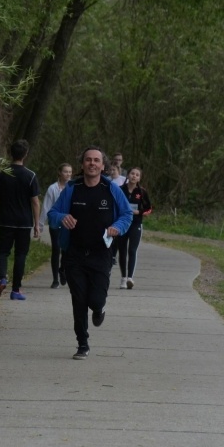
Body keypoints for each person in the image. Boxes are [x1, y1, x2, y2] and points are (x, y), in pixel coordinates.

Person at [47, 146, 133, 359]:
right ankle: (82, 344)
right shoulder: (72, 188)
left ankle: (99, 308)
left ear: (103, 165)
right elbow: (53, 213)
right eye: (88, 160)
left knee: (94, 300)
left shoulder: (111, 189)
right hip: (74, 254)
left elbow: (127, 214)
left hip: (101, 254)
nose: (92, 163)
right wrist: (62, 219)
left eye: (96, 160)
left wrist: (118, 228)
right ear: (82, 164)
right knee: (78, 299)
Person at [0, 139, 41, 300]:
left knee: (2, 251)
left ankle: (2, 278)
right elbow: (35, 201)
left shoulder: (2, 173)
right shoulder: (30, 176)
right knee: (21, 254)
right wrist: (36, 225)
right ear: (25, 155)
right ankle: (16, 290)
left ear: (10, 153)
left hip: (5, 219)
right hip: (23, 222)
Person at [116, 167, 152, 290]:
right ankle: (123, 278)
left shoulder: (141, 192)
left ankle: (130, 278)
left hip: (136, 224)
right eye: (132, 173)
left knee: (132, 250)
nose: (134, 176)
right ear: (128, 175)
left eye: (137, 175)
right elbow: (114, 204)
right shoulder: (120, 190)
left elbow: (149, 208)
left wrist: (139, 212)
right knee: (122, 250)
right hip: (122, 224)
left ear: (139, 178)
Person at [40, 163, 73, 288]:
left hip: (68, 223)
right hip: (55, 223)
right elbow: (46, 207)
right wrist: (41, 224)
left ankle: (63, 269)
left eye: (70, 172)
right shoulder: (52, 188)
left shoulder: (73, 187)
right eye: (65, 172)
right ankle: (55, 279)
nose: (68, 174)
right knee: (56, 249)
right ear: (59, 172)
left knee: (66, 250)